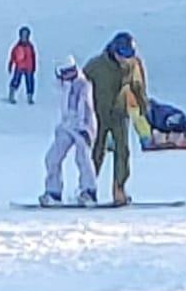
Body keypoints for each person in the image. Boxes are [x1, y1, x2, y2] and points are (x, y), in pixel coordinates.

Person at [85, 32, 147, 205]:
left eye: (128, 56)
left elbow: (137, 86)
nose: (124, 60)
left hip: (119, 113)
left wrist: (143, 105)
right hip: (98, 114)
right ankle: (88, 188)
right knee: (97, 151)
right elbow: (80, 88)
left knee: (123, 151)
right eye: (122, 55)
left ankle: (119, 188)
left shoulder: (133, 65)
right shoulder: (96, 66)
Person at [39, 55, 98, 206]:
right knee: (52, 157)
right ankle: (53, 192)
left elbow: (86, 108)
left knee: (83, 158)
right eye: (65, 72)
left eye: (71, 71)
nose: (69, 75)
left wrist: (86, 130)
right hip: (66, 126)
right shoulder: (62, 85)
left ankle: (89, 191)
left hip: (82, 126)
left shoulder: (83, 84)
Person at [7, 26, 37, 105]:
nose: (24, 37)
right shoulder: (17, 47)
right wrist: (10, 65)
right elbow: (12, 56)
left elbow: (33, 56)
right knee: (16, 80)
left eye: (26, 35)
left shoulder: (30, 46)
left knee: (30, 82)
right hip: (19, 66)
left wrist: (34, 67)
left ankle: (30, 97)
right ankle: (12, 94)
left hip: (29, 67)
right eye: (23, 35)